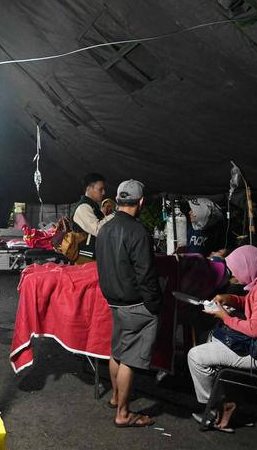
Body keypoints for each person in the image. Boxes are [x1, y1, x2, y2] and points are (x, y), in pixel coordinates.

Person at [187, 245, 257, 432]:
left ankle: (217, 406)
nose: (235, 277)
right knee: (210, 339)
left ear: (249, 267)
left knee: (196, 356)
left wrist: (226, 317)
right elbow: (253, 303)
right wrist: (229, 298)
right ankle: (226, 399)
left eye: (237, 271)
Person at [96, 179, 161, 428]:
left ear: (118, 199)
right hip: (136, 305)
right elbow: (146, 275)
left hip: (114, 302)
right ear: (141, 202)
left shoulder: (105, 228)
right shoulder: (137, 231)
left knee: (118, 351)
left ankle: (115, 397)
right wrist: (154, 304)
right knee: (130, 359)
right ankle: (123, 413)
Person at [72, 173, 108, 264]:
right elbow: (98, 229)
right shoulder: (83, 207)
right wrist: (115, 214)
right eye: (100, 189)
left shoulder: (92, 206)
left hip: (92, 256)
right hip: (86, 258)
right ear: (89, 188)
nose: (104, 192)